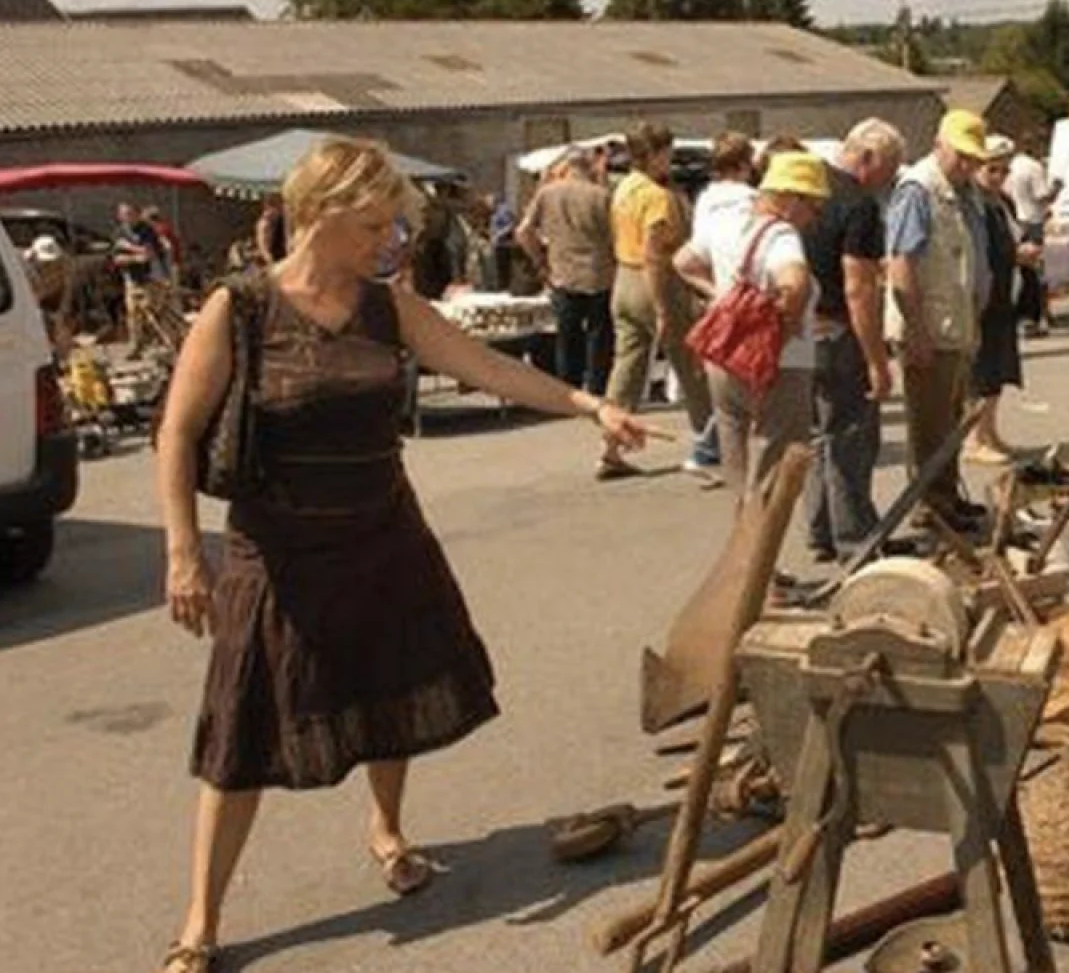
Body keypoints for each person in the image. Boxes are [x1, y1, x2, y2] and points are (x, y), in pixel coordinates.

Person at [152, 136, 654, 973]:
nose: (388, 242)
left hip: (383, 536)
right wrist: (180, 552)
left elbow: (488, 367)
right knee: (241, 735)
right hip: (276, 554)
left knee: (391, 690)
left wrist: (587, 405)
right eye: (373, 225)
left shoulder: (390, 307)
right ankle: (200, 922)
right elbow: (175, 430)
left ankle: (386, 831)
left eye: (393, 224)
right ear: (318, 214)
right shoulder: (238, 308)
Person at [674, 151, 823, 496]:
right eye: (813, 206)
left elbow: (683, 262)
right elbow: (795, 282)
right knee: (777, 467)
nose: (815, 217)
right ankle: (763, 540)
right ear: (792, 198)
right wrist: (788, 328)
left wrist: (719, 297)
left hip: (727, 351)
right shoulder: (782, 235)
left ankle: (742, 531)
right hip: (778, 361)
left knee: (736, 458)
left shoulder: (726, 222)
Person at [802, 119, 907, 563]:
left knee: (816, 434)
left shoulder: (807, 189)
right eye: (890, 168)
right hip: (837, 326)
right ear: (867, 159)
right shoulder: (857, 204)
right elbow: (858, 287)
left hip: (799, 326)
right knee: (851, 433)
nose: (892, 179)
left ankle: (820, 527)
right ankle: (856, 536)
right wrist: (877, 360)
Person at [887, 109, 992, 529]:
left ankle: (946, 495)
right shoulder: (918, 189)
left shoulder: (964, 190)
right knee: (929, 425)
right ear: (939, 146)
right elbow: (902, 263)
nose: (967, 166)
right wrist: (915, 329)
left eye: (973, 159)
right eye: (960, 156)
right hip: (930, 325)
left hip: (957, 323)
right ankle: (930, 505)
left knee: (949, 422)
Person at [604, 121, 710, 481]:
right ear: (655, 154)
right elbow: (654, 253)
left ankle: (610, 447)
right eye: (667, 152)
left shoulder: (622, 188)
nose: (670, 159)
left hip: (622, 276)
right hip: (655, 281)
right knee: (690, 363)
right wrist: (663, 306)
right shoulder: (656, 195)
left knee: (627, 367)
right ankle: (710, 446)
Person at [680, 133, 763, 475]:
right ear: (745, 165)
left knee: (729, 379)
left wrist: (713, 291)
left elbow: (692, 256)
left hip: (722, 296)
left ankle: (709, 448)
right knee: (754, 376)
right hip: (750, 296)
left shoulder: (706, 200)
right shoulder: (753, 201)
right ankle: (711, 448)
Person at [516, 150, 615, 398]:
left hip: (562, 272)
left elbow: (523, 232)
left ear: (565, 167)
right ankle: (596, 389)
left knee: (567, 335)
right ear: (588, 167)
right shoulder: (601, 196)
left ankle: (569, 391)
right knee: (599, 335)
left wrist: (540, 260)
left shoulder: (547, 194)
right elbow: (616, 237)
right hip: (599, 273)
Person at [967, 135, 1037, 464]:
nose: (998, 177)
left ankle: (990, 431)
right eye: (992, 170)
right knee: (981, 371)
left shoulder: (1002, 202)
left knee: (998, 369)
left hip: (1005, 293)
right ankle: (973, 438)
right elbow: (982, 250)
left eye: (1004, 171)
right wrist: (1015, 254)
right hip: (984, 293)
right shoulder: (973, 204)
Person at [1005, 139, 1057, 336]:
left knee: (1019, 272)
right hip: (1032, 220)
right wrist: (1056, 189)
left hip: (1015, 218)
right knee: (1035, 271)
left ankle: (1022, 315)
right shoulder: (1033, 167)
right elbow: (1041, 195)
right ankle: (1037, 315)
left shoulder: (1012, 166)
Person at [112, 202, 167, 357]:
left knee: (153, 312)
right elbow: (116, 259)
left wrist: (129, 249)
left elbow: (149, 254)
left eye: (129, 214)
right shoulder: (119, 232)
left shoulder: (147, 230)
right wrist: (135, 256)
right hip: (131, 279)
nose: (126, 217)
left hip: (150, 278)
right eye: (123, 214)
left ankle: (164, 343)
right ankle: (136, 346)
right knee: (133, 314)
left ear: (137, 214)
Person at [254, 195, 289, 264]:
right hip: (273, 260)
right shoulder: (264, 223)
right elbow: (263, 245)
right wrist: (270, 260)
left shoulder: (279, 221)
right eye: (279, 207)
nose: (281, 210)